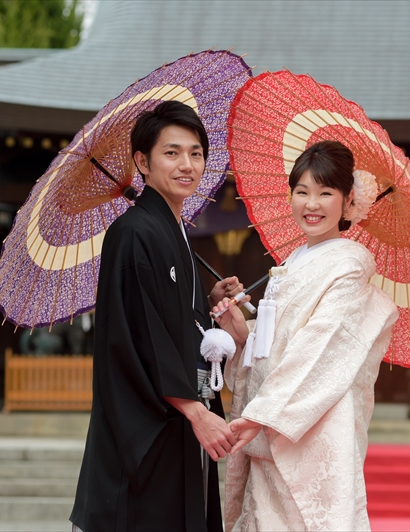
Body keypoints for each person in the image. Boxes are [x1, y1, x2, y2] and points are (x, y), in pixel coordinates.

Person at [70, 101, 247, 532]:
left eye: (196, 153)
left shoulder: (173, 230)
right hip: (148, 430)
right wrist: (195, 411)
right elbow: (135, 337)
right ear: (141, 162)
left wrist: (204, 306)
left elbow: (166, 318)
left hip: (181, 425)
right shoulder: (132, 233)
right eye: (172, 153)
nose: (187, 165)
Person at [213, 141, 399, 531]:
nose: (311, 204)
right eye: (302, 192)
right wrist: (242, 334)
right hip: (268, 422)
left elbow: (321, 346)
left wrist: (262, 413)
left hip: (310, 429)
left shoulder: (348, 267)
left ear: (349, 202)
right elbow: (274, 346)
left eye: (325, 193)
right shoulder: (293, 261)